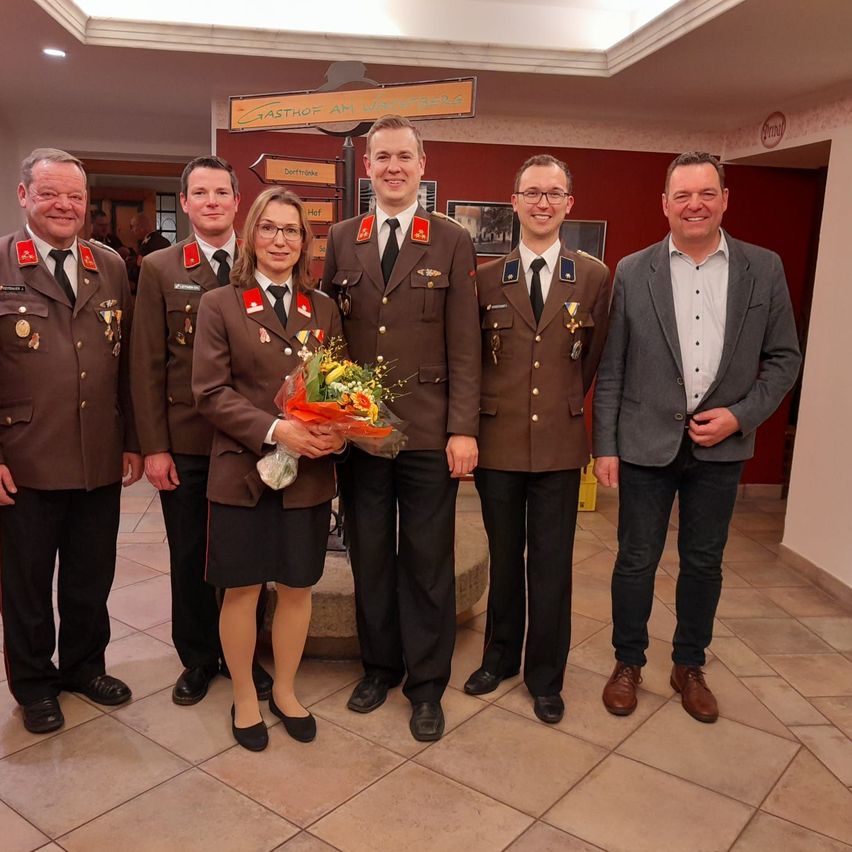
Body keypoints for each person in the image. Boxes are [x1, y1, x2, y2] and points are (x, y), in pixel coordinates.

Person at [593, 151, 802, 723]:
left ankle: (689, 664)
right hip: (643, 442)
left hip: (722, 447)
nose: (694, 204)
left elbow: (784, 358)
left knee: (704, 562)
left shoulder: (765, 268)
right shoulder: (634, 271)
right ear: (664, 205)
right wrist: (604, 446)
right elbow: (612, 367)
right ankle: (627, 662)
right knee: (635, 560)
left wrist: (742, 415)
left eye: (706, 193)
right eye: (682, 195)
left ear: (725, 200)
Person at [322, 114, 480, 742]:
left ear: (422, 164)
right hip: (362, 434)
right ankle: (379, 667)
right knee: (369, 558)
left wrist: (462, 429)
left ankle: (426, 685)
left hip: (426, 432)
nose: (392, 167)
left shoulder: (450, 239)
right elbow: (330, 338)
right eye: (380, 157)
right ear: (367, 168)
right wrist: (330, 414)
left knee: (426, 562)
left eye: (403, 157)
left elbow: (465, 343)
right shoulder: (341, 237)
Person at [192, 187, 344, 751]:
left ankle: (283, 690)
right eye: (270, 228)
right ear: (251, 234)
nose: (281, 239)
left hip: (307, 476)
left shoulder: (322, 307)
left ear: (305, 242)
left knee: (298, 587)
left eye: (292, 230)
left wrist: (335, 429)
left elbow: (339, 387)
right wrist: (278, 429)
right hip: (243, 473)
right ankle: (245, 696)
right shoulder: (220, 303)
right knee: (243, 590)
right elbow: (208, 392)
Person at [463, 154, 611, 723]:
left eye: (554, 193)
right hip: (498, 442)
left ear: (569, 204)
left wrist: (563, 409)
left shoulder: (594, 276)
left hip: (558, 444)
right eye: (532, 193)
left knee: (552, 565)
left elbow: (591, 362)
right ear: (515, 202)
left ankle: (545, 675)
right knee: (503, 558)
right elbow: (474, 361)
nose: (543, 203)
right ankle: (498, 657)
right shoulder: (485, 279)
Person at [0, 148, 143, 734]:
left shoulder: (107, 264)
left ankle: (84, 666)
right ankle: (34, 683)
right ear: (23, 195)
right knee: (27, 580)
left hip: (97, 454)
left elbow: (128, 361)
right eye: (51, 193)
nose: (64, 205)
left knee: (91, 575)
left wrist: (133, 439)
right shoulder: (3, 262)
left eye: (75, 196)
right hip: (25, 457)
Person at [131, 155, 272, 706]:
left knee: (248, 558)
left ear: (238, 203)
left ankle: (246, 656)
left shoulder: (263, 261)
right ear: (184, 203)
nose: (212, 202)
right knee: (190, 554)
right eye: (200, 193)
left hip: (249, 444)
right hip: (187, 442)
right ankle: (197, 657)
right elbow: (145, 364)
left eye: (222, 193)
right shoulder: (162, 268)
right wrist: (154, 448)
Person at [127, 213, 170, 292]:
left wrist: (127, 274)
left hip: (150, 288)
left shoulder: (146, 244)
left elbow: (141, 269)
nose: (132, 230)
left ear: (141, 227)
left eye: (133, 227)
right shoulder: (165, 241)